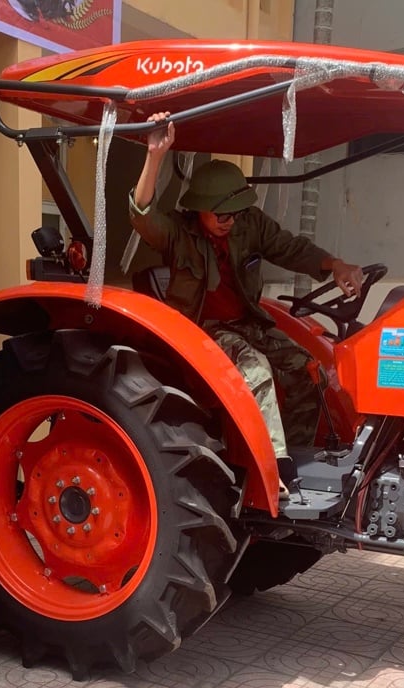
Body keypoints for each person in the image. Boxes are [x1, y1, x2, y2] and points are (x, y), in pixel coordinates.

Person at [130, 112, 364, 474]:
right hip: (200, 330)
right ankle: (272, 469)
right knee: (256, 370)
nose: (230, 220)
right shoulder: (178, 233)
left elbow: (289, 247)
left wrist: (335, 265)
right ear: (199, 209)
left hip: (247, 323)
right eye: (221, 213)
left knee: (307, 367)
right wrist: (155, 156)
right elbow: (142, 215)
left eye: (236, 211)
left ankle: (300, 454)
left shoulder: (249, 224)